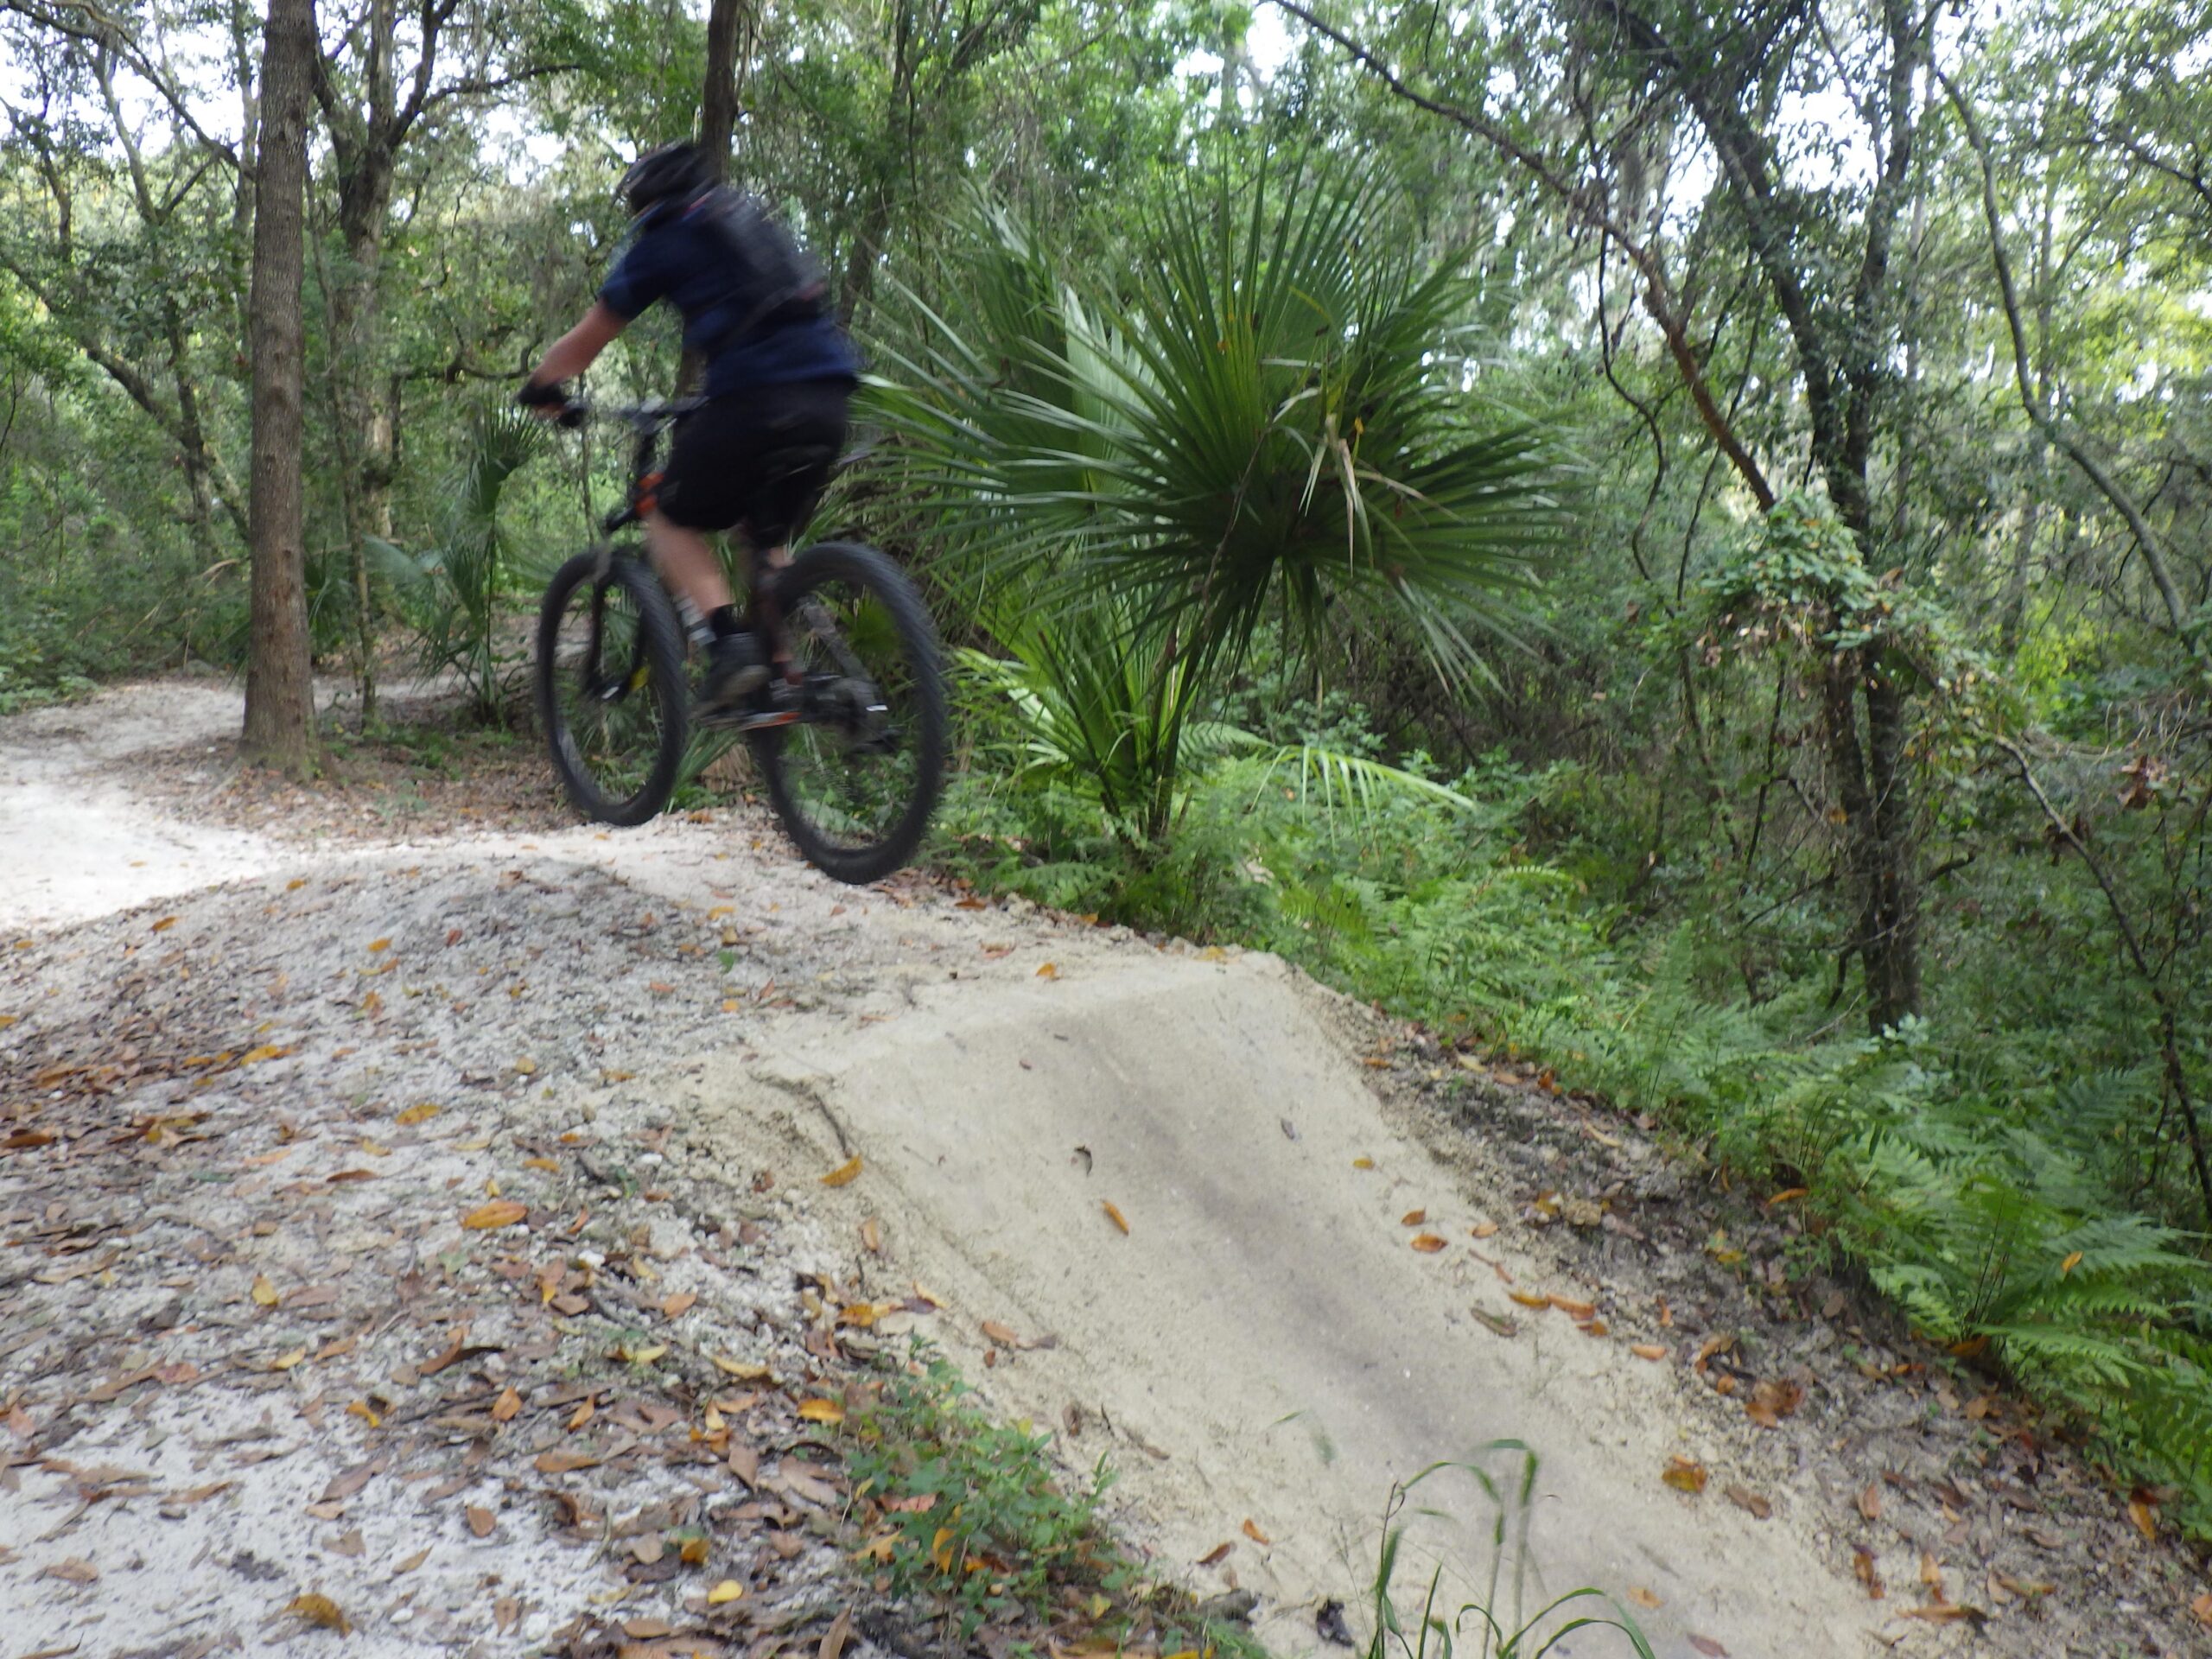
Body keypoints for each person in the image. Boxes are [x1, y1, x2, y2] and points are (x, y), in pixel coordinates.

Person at [518, 141, 859, 723]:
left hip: (755, 398)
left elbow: (591, 337)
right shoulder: (750, 222)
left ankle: (731, 649)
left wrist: (541, 386)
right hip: (831, 396)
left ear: (645, 201)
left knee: (668, 517)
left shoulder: (666, 240)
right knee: (762, 531)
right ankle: (787, 677)